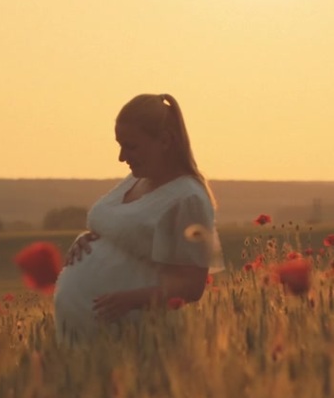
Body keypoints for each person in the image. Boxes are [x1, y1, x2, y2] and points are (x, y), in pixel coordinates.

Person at [53, 93, 223, 344]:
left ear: (164, 141)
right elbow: (124, 233)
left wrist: (130, 300)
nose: (122, 157)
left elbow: (192, 285)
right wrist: (88, 239)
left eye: (131, 146)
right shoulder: (135, 180)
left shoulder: (189, 199)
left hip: (133, 335)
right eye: (120, 145)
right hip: (85, 339)